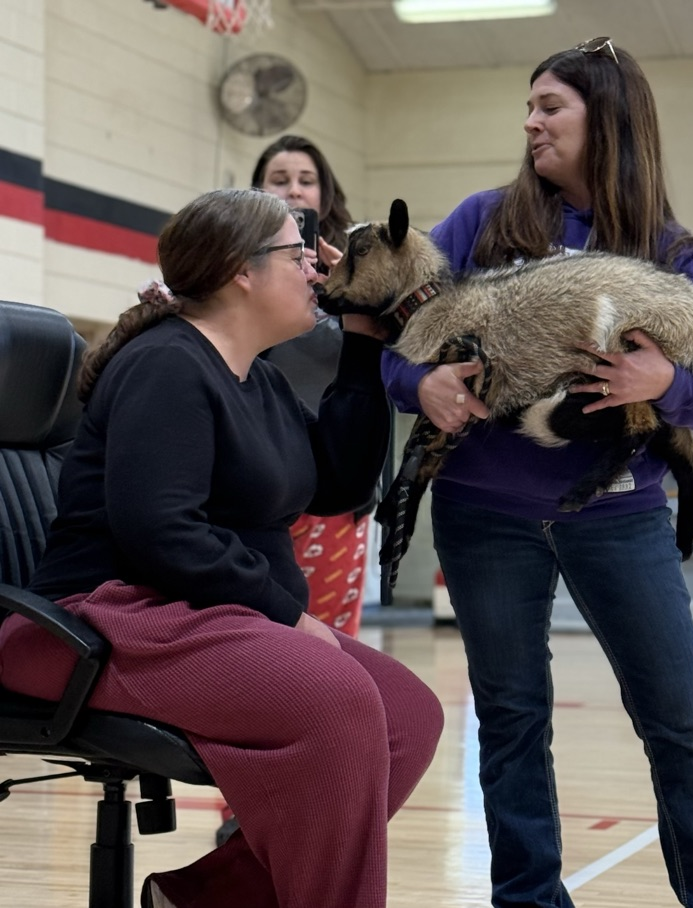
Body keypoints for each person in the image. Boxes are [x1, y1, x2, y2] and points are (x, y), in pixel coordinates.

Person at [381, 38, 693, 907]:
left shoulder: (666, 247)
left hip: (619, 518)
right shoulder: (477, 222)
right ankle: (529, 900)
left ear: (608, 121)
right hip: (482, 517)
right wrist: (424, 383)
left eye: (551, 106)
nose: (531, 122)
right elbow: (395, 357)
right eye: (530, 105)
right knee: (508, 722)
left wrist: (664, 383)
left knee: (680, 726)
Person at [0, 188, 444, 908]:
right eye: (299, 256)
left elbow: (337, 483)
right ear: (243, 270)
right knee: (336, 700)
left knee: (409, 715)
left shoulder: (257, 378)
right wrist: (284, 613)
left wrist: (362, 339)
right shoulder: (166, 364)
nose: (314, 270)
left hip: (195, 613)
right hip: (96, 621)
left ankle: (204, 898)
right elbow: (160, 530)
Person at [251, 134, 380, 638]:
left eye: (306, 181)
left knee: (328, 637)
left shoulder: (357, 269)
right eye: (279, 181)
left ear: (325, 195)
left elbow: (384, 364)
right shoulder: (232, 268)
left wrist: (345, 291)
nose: (294, 193)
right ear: (256, 190)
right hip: (256, 472)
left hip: (332, 468)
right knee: (267, 631)